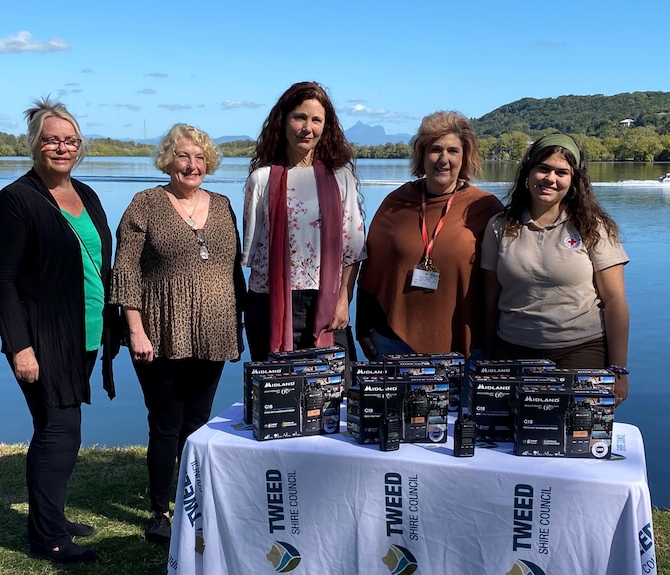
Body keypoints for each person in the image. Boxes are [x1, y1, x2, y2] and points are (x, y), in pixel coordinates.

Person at [0, 97, 118, 564]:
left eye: (70, 140)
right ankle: (48, 539)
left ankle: (50, 518)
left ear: (79, 146)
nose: (61, 147)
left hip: (85, 334)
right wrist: (20, 347)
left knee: (58, 427)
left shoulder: (86, 194)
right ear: (35, 144)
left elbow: (99, 262)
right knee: (59, 431)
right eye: (52, 139)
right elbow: (0, 280)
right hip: (42, 338)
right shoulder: (15, 200)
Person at [110, 123, 245, 544]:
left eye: (200, 157)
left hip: (214, 331)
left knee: (199, 423)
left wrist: (239, 325)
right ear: (169, 160)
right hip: (160, 331)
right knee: (165, 424)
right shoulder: (145, 204)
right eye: (184, 156)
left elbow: (233, 269)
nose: (192, 165)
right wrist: (136, 330)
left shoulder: (223, 204)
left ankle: (196, 501)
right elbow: (126, 270)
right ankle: (159, 511)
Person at [481, 132, 630, 405]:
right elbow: (490, 299)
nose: (551, 179)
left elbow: (615, 301)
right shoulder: (499, 226)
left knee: (573, 438)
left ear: (574, 180)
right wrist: (489, 362)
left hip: (580, 352)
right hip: (513, 352)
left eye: (562, 172)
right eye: (543, 169)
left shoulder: (593, 227)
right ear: (528, 173)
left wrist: (618, 369)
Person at [355, 111, 503, 360]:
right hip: (393, 342)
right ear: (422, 155)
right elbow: (370, 272)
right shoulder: (396, 203)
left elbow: (500, 283)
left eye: (453, 151)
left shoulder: (485, 207)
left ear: (464, 157)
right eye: (435, 149)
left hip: (465, 345)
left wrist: (493, 344)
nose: (443, 159)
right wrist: (362, 330)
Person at [242, 81, 366, 366]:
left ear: (326, 126)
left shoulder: (341, 177)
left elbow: (353, 248)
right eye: (299, 117)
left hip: (326, 301)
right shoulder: (261, 179)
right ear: (283, 120)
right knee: (276, 395)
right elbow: (253, 248)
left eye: (316, 120)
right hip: (270, 302)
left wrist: (344, 300)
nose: (307, 128)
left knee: (335, 391)